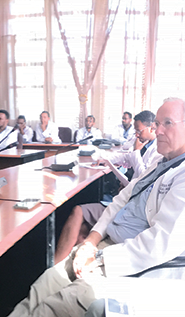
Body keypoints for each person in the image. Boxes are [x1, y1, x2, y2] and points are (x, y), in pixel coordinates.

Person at [8, 98, 185, 317]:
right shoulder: (161, 162)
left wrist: (99, 259)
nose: (158, 131)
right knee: (42, 287)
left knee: (54, 306)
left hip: (139, 268)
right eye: (157, 124)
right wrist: (90, 243)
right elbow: (120, 200)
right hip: (107, 248)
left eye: (167, 123)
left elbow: (160, 245)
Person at [53, 111, 159, 262]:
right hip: (125, 201)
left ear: (152, 128)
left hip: (130, 209)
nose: (136, 135)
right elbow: (124, 157)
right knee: (82, 232)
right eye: (135, 131)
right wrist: (105, 159)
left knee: (79, 216)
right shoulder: (143, 145)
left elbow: (143, 179)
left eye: (139, 131)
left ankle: (57, 266)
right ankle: (66, 266)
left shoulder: (156, 152)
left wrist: (135, 152)